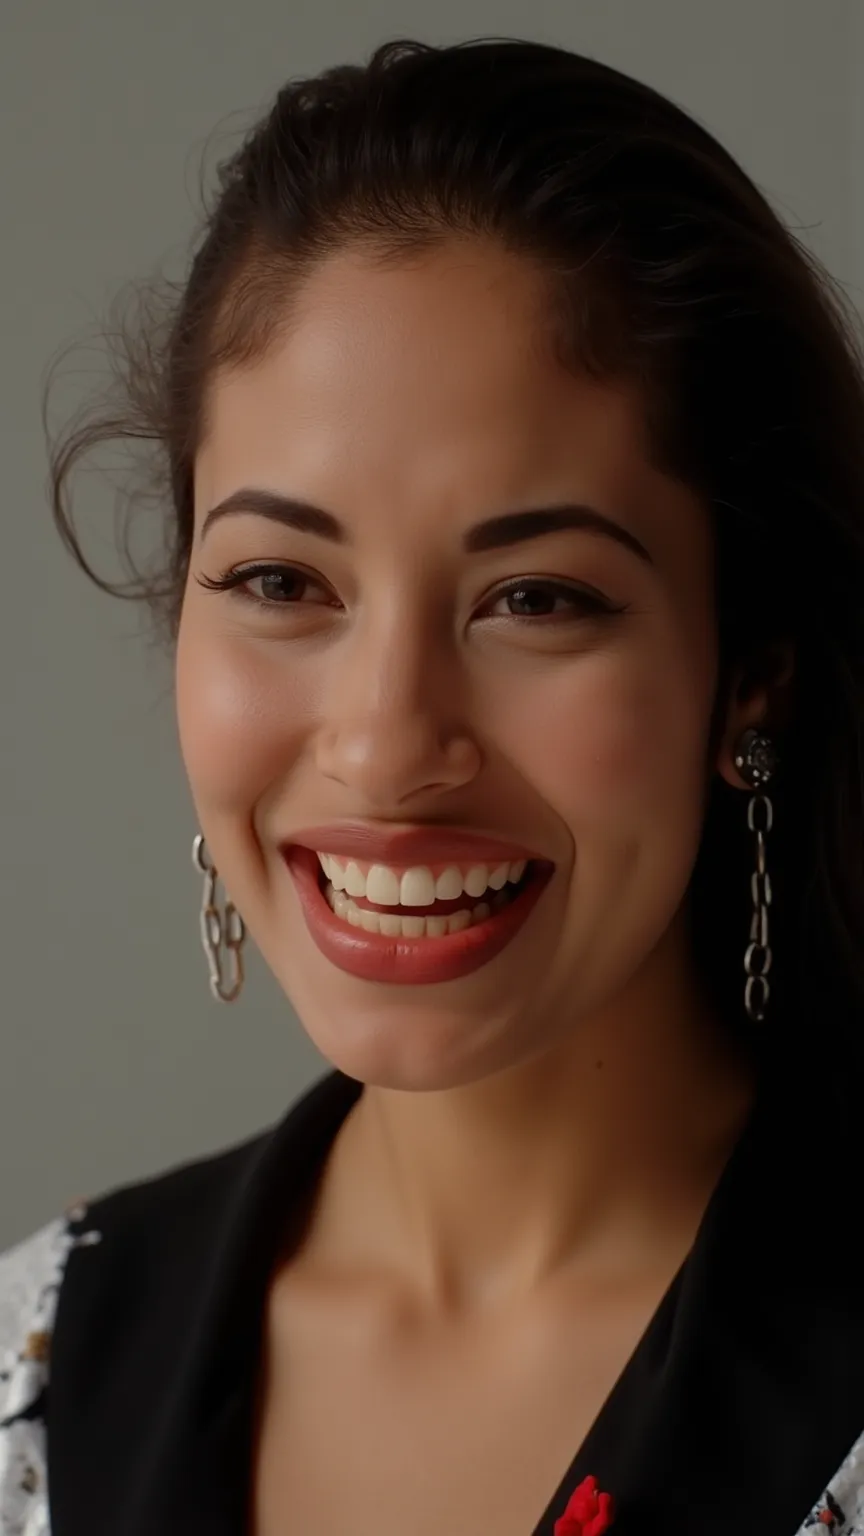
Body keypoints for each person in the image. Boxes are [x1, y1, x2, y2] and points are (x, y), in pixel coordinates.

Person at [3, 33, 864, 1536]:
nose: (389, 743)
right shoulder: (40, 1367)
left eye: (535, 599)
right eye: (281, 579)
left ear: (753, 665)